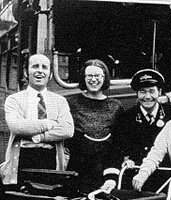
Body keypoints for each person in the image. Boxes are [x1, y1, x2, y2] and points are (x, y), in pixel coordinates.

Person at [1, 54, 74, 186]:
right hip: (22, 160)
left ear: (50, 74)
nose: (40, 71)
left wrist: (39, 137)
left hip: (52, 161)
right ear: (26, 72)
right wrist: (49, 123)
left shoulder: (60, 101)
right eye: (35, 66)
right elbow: (16, 127)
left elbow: (68, 130)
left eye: (44, 67)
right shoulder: (14, 99)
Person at [65, 59, 124, 194]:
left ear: (105, 78)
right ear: (83, 78)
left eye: (97, 76)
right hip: (75, 170)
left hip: (104, 171)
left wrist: (111, 177)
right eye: (89, 76)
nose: (93, 80)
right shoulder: (71, 103)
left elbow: (117, 145)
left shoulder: (116, 106)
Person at [113, 69, 171, 190]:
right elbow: (117, 150)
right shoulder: (125, 118)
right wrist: (124, 160)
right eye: (142, 92)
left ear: (159, 92)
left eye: (152, 91)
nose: (147, 97)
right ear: (136, 93)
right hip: (135, 180)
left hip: (165, 178)